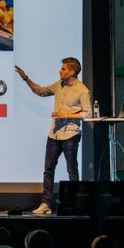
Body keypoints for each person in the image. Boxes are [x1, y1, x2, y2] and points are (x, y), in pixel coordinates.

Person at [14, 57, 93, 215]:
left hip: (70, 134)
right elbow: (40, 91)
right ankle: (46, 204)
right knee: (48, 170)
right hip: (54, 134)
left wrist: (66, 114)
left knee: (72, 170)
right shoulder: (59, 85)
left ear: (71, 72)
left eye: (63, 69)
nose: (60, 71)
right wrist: (25, 78)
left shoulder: (82, 90)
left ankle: (73, 204)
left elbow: (88, 113)